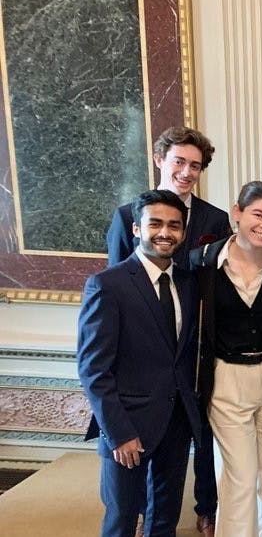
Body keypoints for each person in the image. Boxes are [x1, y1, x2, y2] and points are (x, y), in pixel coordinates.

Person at [105, 126, 228, 536]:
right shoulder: (127, 217)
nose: (187, 171)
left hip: (187, 361)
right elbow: (117, 289)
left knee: (183, 467)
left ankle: (206, 508)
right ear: (160, 160)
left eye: (195, 165)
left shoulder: (215, 219)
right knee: (126, 498)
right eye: (179, 161)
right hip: (138, 371)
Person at [78, 190, 202, 536]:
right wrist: (119, 433)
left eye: (174, 225)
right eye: (155, 224)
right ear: (136, 229)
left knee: (165, 517)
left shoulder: (188, 283)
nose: (165, 232)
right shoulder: (108, 285)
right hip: (128, 425)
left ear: (183, 232)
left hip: (176, 421)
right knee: (122, 518)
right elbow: (93, 369)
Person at [190, 181, 262, 537]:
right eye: (258, 215)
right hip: (226, 377)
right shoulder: (203, 261)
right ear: (237, 212)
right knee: (238, 475)